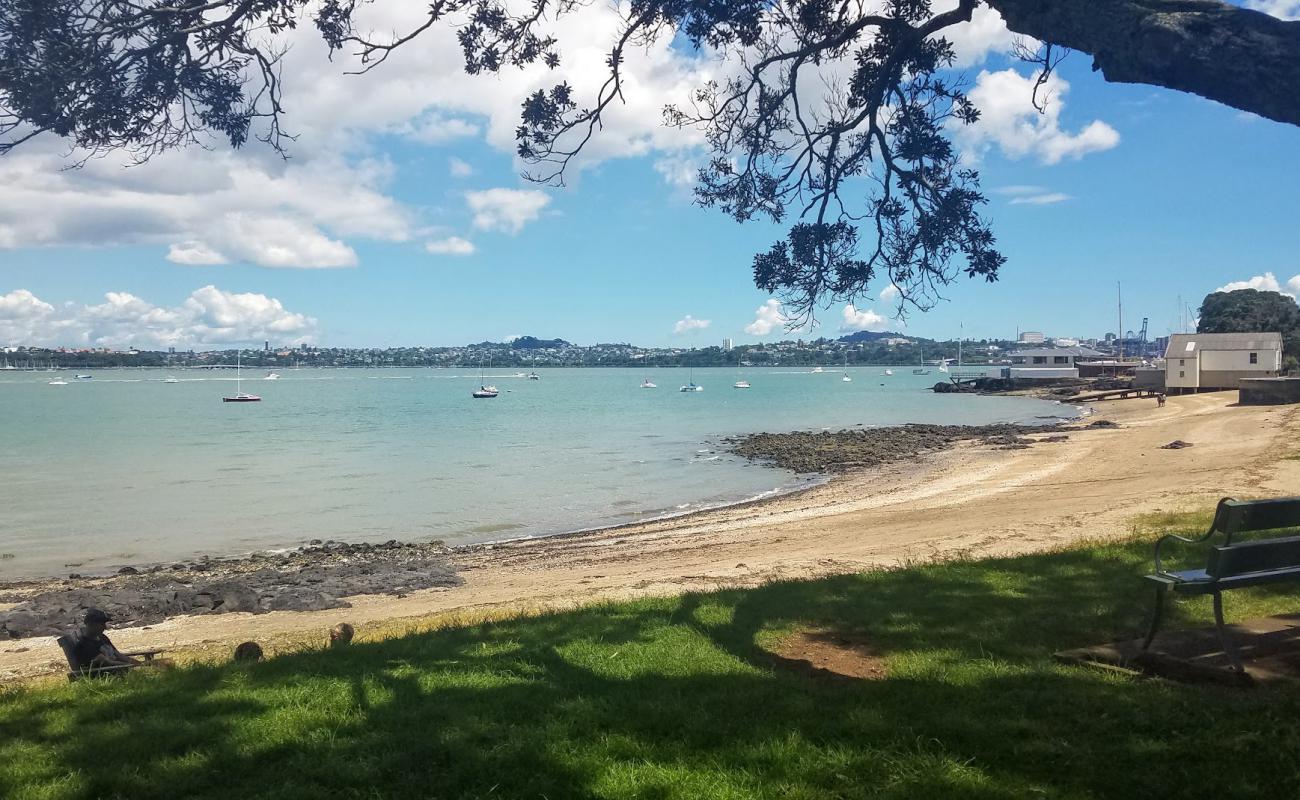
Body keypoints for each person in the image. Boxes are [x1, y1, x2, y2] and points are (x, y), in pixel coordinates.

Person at [62, 608, 142, 676]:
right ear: (90, 624)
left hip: (120, 670)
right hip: (109, 675)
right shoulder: (84, 645)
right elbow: (107, 663)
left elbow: (118, 655)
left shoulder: (102, 637)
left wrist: (139, 664)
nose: (105, 627)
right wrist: (131, 667)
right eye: (101, 624)